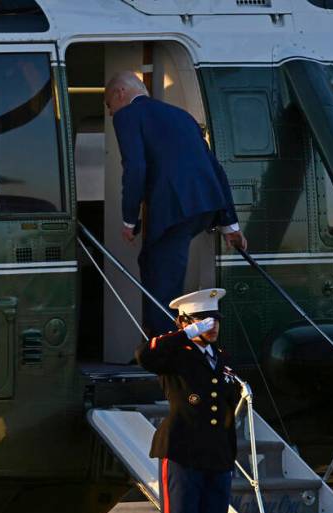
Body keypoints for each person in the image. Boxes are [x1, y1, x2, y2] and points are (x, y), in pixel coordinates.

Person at [105, 72, 247, 336]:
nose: (111, 113)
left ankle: (163, 348)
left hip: (174, 209)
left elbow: (135, 167)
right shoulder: (182, 116)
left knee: (161, 279)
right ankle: (167, 340)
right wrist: (230, 225)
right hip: (204, 207)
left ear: (120, 92)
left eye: (108, 105)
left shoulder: (128, 115)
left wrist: (129, 219)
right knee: (154, 263)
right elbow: (216, 169)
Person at [135, 288, 240, 513]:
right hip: (182, 454)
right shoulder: (175, 353)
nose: (212, 327)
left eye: (215, 321)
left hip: (217, 457)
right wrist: (186, 334)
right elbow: (144, 355)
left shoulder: (219, 356)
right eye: (203, 321)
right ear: (184, 322)